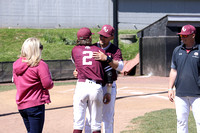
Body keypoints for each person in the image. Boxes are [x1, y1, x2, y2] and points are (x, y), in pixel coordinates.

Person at [71, 27, 113, 133]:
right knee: (96, 125)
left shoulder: (75, 50)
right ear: (90, 38)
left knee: (78, 124)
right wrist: (108, 92)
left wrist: (77, 70)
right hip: (95, 87)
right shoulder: (100, 51)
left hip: (81, 86)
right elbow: (109, 72)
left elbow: (78, 63)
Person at [84, 24, 124, 133]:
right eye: (101, 35)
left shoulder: (115, 50)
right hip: (93, 85)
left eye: (105, 36)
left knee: (108, 116)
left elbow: (120, 67)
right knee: (89, 116)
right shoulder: (92, 47)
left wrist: (107, 58)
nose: (102, 38)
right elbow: (81, 60)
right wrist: (77, 70)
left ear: (112, 37)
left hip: (108, 86)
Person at [12, 37, 54, 133]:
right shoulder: (40, 64)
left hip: (22, 105)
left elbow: (16, 81)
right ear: (36, 49)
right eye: (40, 47)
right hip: (35, 104)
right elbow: (48, 84)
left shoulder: (16, 64)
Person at [168, 24, 200, 133]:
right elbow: (173, 70)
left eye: (185, 36)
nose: (183, 38)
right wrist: (170, 88)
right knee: (181, 122)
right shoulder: (177, 50)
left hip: (198, 94)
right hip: (180, 94)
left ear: (193, 35)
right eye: (182, 35)